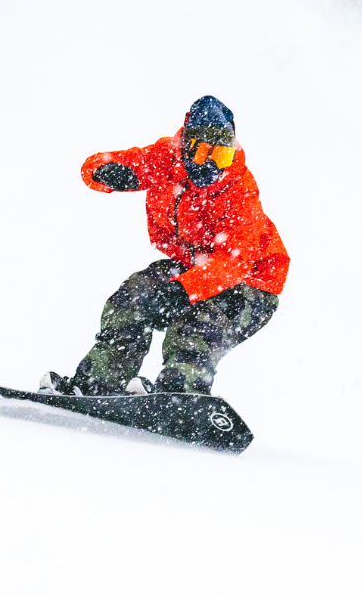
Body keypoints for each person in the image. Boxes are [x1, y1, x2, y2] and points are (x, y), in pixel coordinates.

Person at [43, 95, 289, 397]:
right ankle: (100, 382)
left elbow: (233, 262)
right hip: (195, 267)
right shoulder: (166, 158)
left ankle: (181, 391)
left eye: (221, 156)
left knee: (198, 322)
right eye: (202, 152)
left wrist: (185, 290)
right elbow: (105, 163)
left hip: (252, 283)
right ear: (186, 145)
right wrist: (104, 172)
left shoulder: (238, 189)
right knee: (134, 297)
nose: (211, 164)